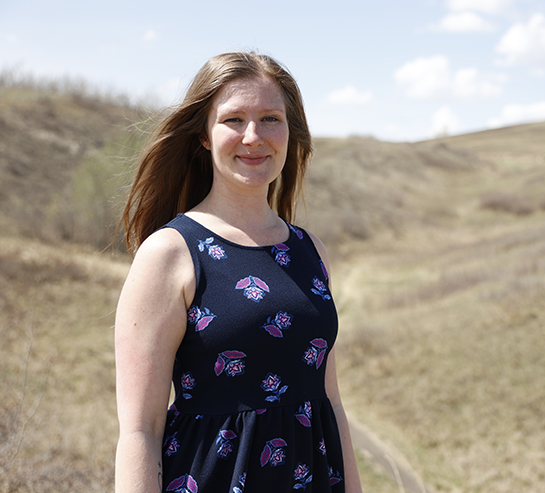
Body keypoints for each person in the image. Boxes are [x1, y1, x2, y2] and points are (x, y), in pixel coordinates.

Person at [114, 51, 362, 492]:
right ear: (205, 136)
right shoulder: (170, 254)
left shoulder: (310, 251)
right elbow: (140, 431)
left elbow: (332, 404)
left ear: (290, 133)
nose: (253, 136)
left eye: (270, 119)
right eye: (233, 120)